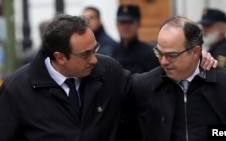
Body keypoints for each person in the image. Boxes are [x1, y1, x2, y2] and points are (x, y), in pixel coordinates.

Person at [0, 14, 131, 141]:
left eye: (95, 49)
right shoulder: (16, 90)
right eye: (86, 54)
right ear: (60, 57)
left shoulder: (109, 71)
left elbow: (142, 90)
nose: (94, 60)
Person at [120, 16, 226, 141]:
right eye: (159, 53)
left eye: (172, 55)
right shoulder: (143, 87)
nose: (164, 61)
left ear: (195, 52)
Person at [111, 4, 159, 73]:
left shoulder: (149, 54)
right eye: (122, 22)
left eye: (130, 22)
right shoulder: (112, 51)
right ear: (117, 24)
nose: (126, 27)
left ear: (138, 24)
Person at [199, 8, 226, 77]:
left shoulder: (224, 53)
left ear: (223, 28)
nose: (204, 30)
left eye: (209, 26)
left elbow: (223, 81)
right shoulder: (215, 50)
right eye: (203, 26)